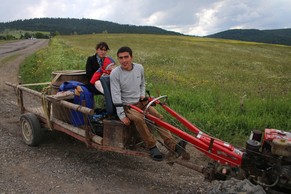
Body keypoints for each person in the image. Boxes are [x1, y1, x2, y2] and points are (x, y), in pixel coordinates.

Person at [110, 46, 186, 161]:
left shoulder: (139, 68)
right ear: (118, 59)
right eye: (120, 58)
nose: (124, 60)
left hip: (141, 102)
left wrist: (142, 94)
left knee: (159, 117)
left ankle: (172, 146)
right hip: (128, 106)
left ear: (132, 57)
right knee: (140, 119)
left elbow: (142, 83)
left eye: (126, 57)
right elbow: (115, 94)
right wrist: (121, 115)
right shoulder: (115, 73)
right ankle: (152, 147)